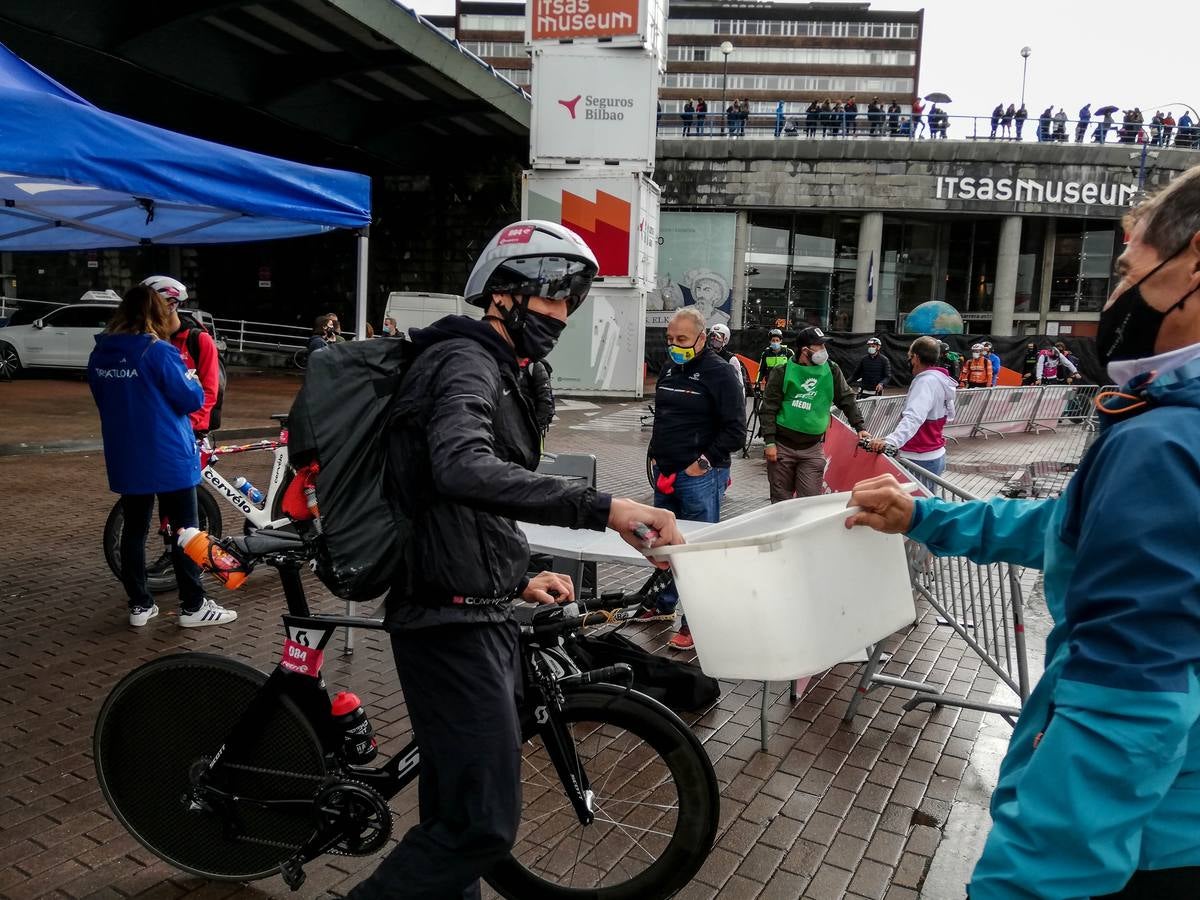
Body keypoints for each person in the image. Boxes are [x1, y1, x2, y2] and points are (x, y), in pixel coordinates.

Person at [846, 167, 1200, 899]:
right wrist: (925, 514)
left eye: (1127, 273)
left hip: (1147, 839)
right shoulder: (1158, 424)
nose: (1114, 299)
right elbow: (1070, 527)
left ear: (1193, 263)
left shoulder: (1163, 443)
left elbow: (1124, 708)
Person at [346, 220, 682, 900]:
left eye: (570, 302)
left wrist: (519, 575)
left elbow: (472, 507)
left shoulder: (496, 366)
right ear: (502, 294)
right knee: (481, 827)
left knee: (454, 813)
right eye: (550, 297)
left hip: (476, 608)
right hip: (445, 622)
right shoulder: (463, 362)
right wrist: (603, 507)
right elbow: (461, 469)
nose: (561, 315)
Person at [87, 284, 237, 629]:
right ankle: (193, 605)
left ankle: (139, 604)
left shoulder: (100, 353)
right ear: (156, 313)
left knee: (135, 530)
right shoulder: (158, 352)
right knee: (187, 528)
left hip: (126, 453)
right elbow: (191, 399)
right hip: (168, 452)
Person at [643, 307, 745, 651]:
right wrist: (657, 453)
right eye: (670, 339)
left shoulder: (720, 373)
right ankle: (662, 604)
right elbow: (664, 416)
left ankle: (696, 624)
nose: (674, 345)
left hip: (699, 477)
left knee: (697, 554)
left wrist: (701, 464)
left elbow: (735, 431)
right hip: (666, 474)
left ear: (702, 338)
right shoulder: (672, 366)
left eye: (682, 340)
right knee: (665, 546)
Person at [760, 326, 869, 503]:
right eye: (820, 346)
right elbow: (769, 408)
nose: (824, 351)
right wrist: (770, 442)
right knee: (780, 503)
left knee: (809, 503)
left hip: (812, 449)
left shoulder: (831, 370)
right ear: (805, 350)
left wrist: (860, 426)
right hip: (782, 448)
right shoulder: (782, 371)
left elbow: (846, 398)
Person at [868, 336, 957, 484]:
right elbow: (949, 414)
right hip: (934, 453)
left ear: (915, 357)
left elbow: (914, 417)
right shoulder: (941, 380)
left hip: (919, 457)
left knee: (913, 505)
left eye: (909, 356)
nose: (909, 361)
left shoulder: (925, 382)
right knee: (926, 503)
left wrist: (891, 441)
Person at [141, 275, 220, 439]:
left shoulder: (199, 340)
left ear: (171, 305)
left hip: (189, 431)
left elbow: (210, 391)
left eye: (150, 306)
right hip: (156, 427)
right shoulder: (147, 341)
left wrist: (185, 425)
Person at [707, 323, 746, 393]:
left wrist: (740, 401)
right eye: (713, 336)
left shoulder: (731, 359)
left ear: (725, 339)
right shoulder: (705, 356)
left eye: (718, 336)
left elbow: (739, 384)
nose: (714, 338)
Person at [520, 357, 555, 435]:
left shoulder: (534, 366)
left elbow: (545, 400)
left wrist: (536, 427)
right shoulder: (505, 364)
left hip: (530, 427)